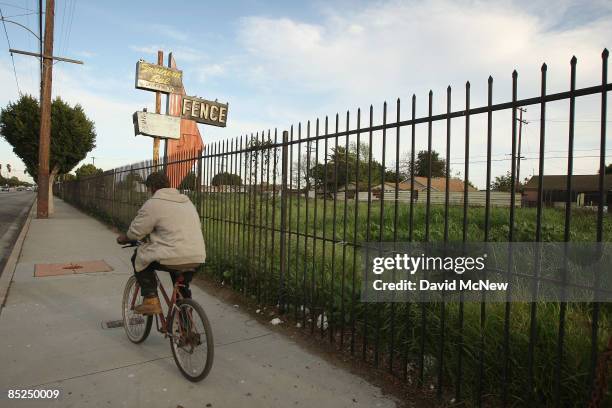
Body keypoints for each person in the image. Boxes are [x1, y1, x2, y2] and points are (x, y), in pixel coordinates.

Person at [117, 172, 206, 315]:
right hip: (197, 256)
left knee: (138, 257)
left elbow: (136, 232)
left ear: (152, 188)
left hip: (173, 256)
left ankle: (151, 299)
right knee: (181, 289)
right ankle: (186, 328)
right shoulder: (187, 201)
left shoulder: (153, 203)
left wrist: (125, 237)